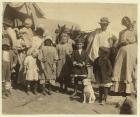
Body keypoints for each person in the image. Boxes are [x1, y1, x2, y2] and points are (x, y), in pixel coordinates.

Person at [111, 16, 137, 95]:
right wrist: (122, 43)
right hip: (121, 52)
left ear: (130, 22)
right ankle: (117, 90)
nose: (126, 24)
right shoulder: (121, 32)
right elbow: (118, 43)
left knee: (128, 69)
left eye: (127, 22)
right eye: (124, 22)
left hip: (131, 52)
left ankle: (128, 90)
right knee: (118, 69)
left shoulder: (135, 32)